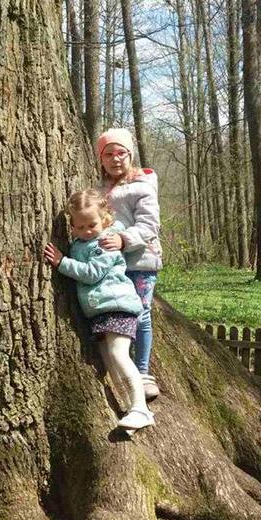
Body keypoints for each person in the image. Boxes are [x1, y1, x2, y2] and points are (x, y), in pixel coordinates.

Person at [44, 189, 155, 433]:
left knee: (118, 355)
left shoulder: (106, 243)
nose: (86, 231)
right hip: (99, 312)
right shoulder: (81, 244)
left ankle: (140, 408)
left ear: (105, 220)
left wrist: (62, 262)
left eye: (92, 224)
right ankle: (131, 407)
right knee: (109, 362)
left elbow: (92, 273)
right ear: (72, 227)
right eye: (80, 226)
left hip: (118, 306)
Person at [95, 128, 163, 400]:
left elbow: (149, 225)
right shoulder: (99, 189)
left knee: (141, 313)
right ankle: (121, 367)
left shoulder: (142, 186)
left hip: (141, 261)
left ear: (130, 155)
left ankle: (143, 372)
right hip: (112, 265)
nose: (115, 159)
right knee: (116, 312)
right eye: (108, 154)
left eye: (121, 153)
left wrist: (124, 240)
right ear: (101, 159)